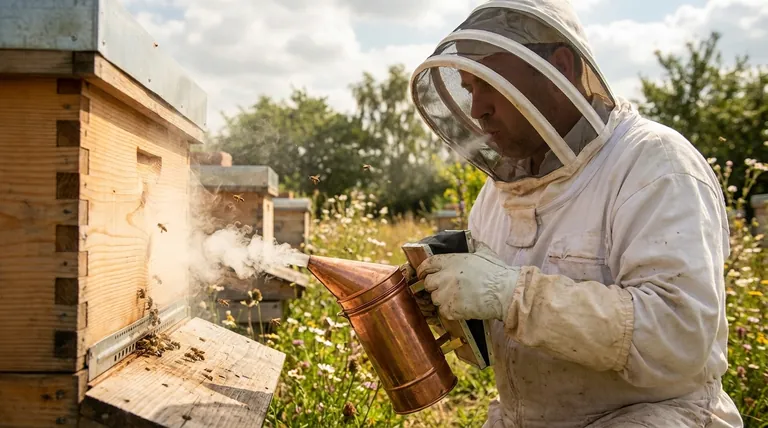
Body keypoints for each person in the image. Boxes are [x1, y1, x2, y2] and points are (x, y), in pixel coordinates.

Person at [408, 0, 744, 427]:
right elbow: (507, 347)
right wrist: (445, 303)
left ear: (561, 67)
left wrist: (513, 295)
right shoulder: (499, 193)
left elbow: (679, 336)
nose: (477, 109)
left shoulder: (653, 164)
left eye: (490, 84)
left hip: (649, 416)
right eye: (470, 88)